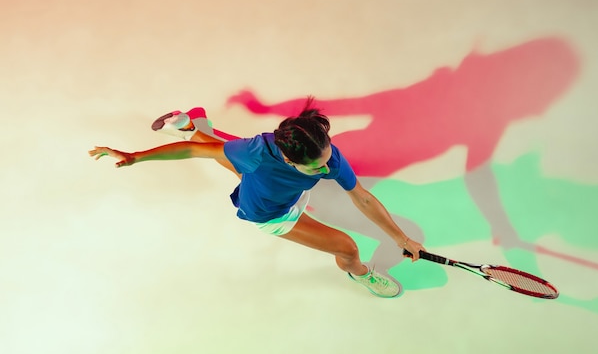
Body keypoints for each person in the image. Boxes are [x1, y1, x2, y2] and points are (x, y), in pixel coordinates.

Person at [88, 99, 425, 297]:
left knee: (229, 158)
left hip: (279, 186)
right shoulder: (256, 153)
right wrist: (135, 156)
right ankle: (360, 272)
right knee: (348, 247)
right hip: (270, 212)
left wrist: (402, 238)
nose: (329, 167)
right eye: (318, 165)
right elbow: (193, 152)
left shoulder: (328, 157)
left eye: (328, 157)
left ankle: (190, 123)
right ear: (290, 160)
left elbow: (362, 198)